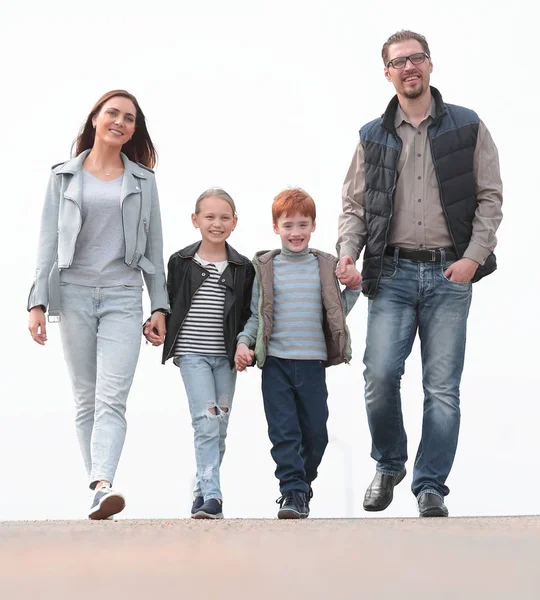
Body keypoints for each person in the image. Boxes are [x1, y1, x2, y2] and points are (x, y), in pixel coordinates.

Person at [336, 30, 503, 517]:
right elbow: (353, 206)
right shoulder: (371, 135)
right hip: (390, 274)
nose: (409, 67)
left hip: (451, 274)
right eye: (398, 62)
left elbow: (491, 197)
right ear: (386, 73)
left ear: (430, 65)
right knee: (380, 376)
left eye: (417, 58)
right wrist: (347, 254)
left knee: (442, 389)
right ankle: (389, 463)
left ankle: (431, 486)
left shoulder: (467, 126)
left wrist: (473, 257)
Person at [28, 90, 169, 520]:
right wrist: (37, 302)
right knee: (86, 398)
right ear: (95, 118)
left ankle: (102, 483)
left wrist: (159, 305)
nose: (120, 122)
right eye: (113, 113)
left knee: (112, 397)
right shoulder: (63, 177)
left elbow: (155, 246)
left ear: (133, 130)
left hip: (124, 296)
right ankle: (98, 486)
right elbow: (48, 242)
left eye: (129, 118)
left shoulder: (143, 180)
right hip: (72, 293)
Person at [235, 188, 359, 519]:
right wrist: (244, 343)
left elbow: (337, 310)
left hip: (312, 365)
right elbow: (256, 315)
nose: (295, 233)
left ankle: (302, 485)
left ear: (314, 226)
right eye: (288, 225)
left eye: (302, 225)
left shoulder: (324, 266)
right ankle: (291, 491)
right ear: (275, 227)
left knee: (316, 433)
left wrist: (356, 286)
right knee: (284, 432)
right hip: (275, 363)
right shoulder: (266, 267)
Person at [145, 188, 254, 519]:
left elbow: (250, 312)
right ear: (196, 220)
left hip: (225, 358)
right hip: (192, 354)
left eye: (224, 218)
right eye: (209, 217)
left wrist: (243, 345)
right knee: (205, 422)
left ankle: (201, 491)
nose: (216, 224)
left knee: (219, 425)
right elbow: (167, 303)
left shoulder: (242, 267)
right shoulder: (180, 262)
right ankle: (215, 497)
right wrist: (154, 324)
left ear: (234, 223)